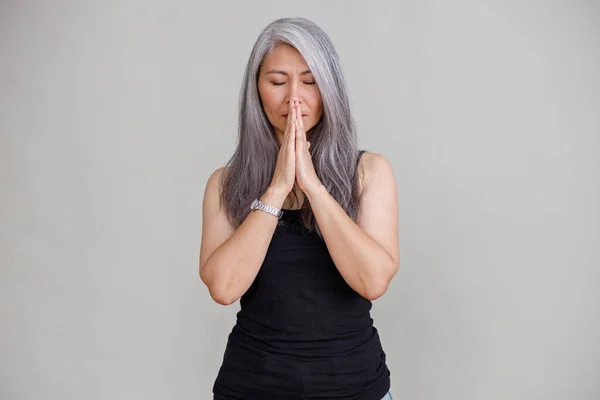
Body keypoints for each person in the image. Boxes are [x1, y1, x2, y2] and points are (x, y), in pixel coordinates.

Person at [199, 17, 399, 400]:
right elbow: (223, 288)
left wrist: (313, 186)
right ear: (256, 92)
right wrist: (276, 189)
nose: (294, 97)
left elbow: (373, 281)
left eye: (309, 82)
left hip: (356, 388)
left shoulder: (369, 173)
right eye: (277, 82)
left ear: (330, 90)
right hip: (251, 388)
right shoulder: (225, 184)